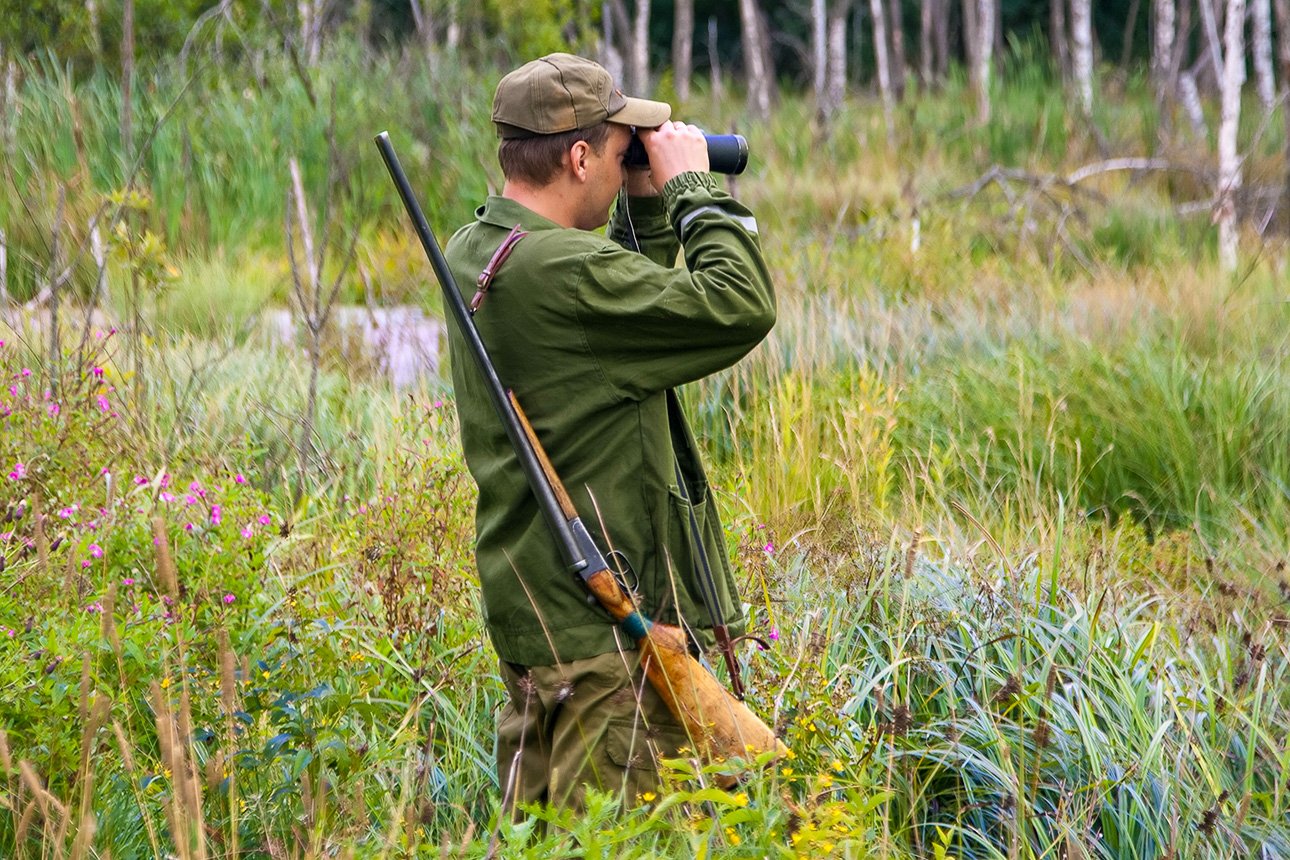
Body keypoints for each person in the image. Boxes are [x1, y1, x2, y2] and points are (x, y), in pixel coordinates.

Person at [442, 52, 776, 810]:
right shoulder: (565, 272)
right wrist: (692, 191)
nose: (633, 157)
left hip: (538, 624)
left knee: (545, 838)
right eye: (621, 146)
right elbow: (738, 303)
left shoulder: (479, 249)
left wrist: (644, 209)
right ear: (580, 155)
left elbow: (625, 326)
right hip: (604, 648)